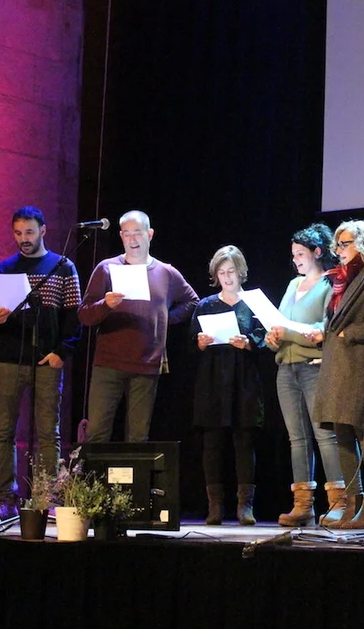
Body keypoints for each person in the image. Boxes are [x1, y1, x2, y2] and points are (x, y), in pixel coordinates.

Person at [0, 206, 82, 523]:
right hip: (8, 359)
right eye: (18, 233)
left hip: (46, 359)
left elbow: (74, 317)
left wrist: (61, 352)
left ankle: (46, 499)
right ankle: (6, 500)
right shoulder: (4, 269)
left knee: (48, 432)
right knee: (4, 431)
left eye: (29, 232)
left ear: (43, 231)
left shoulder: (62, 267)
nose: (23, 239)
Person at [78, 210, 198, 443]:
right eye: (127, 234)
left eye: (138, 233)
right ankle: (96, 470)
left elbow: (192, 301)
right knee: (97, 433)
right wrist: (106, 304)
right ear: (121, 236)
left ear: (150, 234)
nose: (132, 240)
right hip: (109, 363)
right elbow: (84, 314)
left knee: (138, 438)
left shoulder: (166, 272)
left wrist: (165, 318)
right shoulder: (106, 268)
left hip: (146, 364)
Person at [310, 220, 364, 529]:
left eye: (345, 244)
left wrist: (351, 333)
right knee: (342, 432)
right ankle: (353, 502)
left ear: (363, 245)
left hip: (358, 364)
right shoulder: (342, 282)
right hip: (337, 365)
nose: (339, 250)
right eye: (338, 244)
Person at [264, 224, 344, 527]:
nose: (296, 259)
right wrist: (272, 337)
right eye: (294, 254)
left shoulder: (329, 284)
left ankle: (339, 502)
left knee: (325, 435)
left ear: (317, 252)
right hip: (286, 368)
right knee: (297, 439)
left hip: (314, 367)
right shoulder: (292, 285)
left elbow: (325, 329)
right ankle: (303, 505)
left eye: (301, 254)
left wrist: (288, 333)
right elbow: (279, 323)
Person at [191, 245, 266, 525]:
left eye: (231, 271)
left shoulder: (254, 303)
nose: (227, 277)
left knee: (244, 443)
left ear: (241, 272)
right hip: (213, 381)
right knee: (212, 444)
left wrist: (249, 342)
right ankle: (215, 507)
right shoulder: (206, 305)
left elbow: (266, 338)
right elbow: (191, 342)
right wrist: (200, 343)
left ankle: (245, 506)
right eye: (222, 272)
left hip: (244, 381)